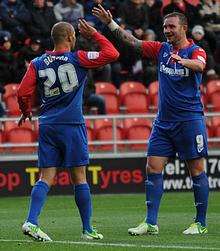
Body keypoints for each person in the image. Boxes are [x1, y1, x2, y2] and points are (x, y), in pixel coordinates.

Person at [93, 5, 209, 235]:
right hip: (163, 123)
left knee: (196, 170)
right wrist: (111, 23)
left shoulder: (195, 51)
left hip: (189, 120)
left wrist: (184, 62)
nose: (167, 30)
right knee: (152, 167)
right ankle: (151, 222)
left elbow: (200, 65)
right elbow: (133, 43)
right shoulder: (161, 49)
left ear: (184, 28)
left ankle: (201, 223)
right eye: (165, 26)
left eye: (172, 27)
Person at [17, 20, 119, 241]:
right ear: (71, 37)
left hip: (48, 125)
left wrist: (25, 110)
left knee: (46, 176)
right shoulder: (78, 58)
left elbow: (22, 91)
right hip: (72, 125)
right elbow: (112, 54)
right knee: (79, 177)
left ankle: (31, 221)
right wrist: (94, 34)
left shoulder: (37, 62)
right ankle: (87, 229)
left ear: (54, 39)